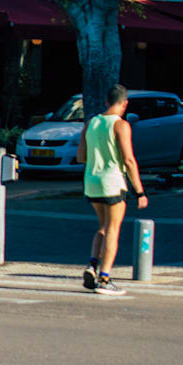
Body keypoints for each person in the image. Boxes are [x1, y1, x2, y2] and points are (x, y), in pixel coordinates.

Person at [78, 84, 148, 296]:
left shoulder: (91, 122)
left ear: (107, 101)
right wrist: (140, 192)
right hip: (112, 182)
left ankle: (92, 264)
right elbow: (128, 160)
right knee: (113, 230)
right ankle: (105, 278)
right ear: (125, 103)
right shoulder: (121, 125)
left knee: (103, 225)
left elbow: (81, 156)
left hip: (91, 180)